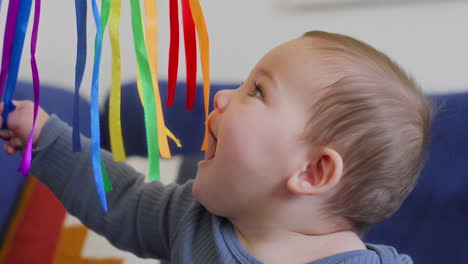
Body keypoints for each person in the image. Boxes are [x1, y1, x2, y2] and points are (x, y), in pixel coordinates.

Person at [0, 30, 433, 263]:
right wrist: (45, 137)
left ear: (312, 172)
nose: (223, 96)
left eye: (258, 91)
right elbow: (120, 197)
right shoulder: (192, 221)